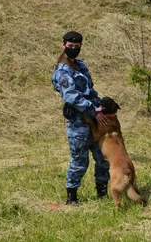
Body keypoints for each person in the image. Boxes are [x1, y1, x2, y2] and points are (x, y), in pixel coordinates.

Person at [51, 31, 110, 205]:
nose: (73, 49)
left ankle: (102, 193)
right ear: (63, 45)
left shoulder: (81, 66)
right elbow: (71, 96)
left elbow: (90, 90)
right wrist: (93, 109)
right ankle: (72, 197)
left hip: (95, 121)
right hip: (78, 122)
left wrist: (101, 106)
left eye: (77, 47)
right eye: (70, 46)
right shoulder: (62, 71)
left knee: (102, 157)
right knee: (79, 161)